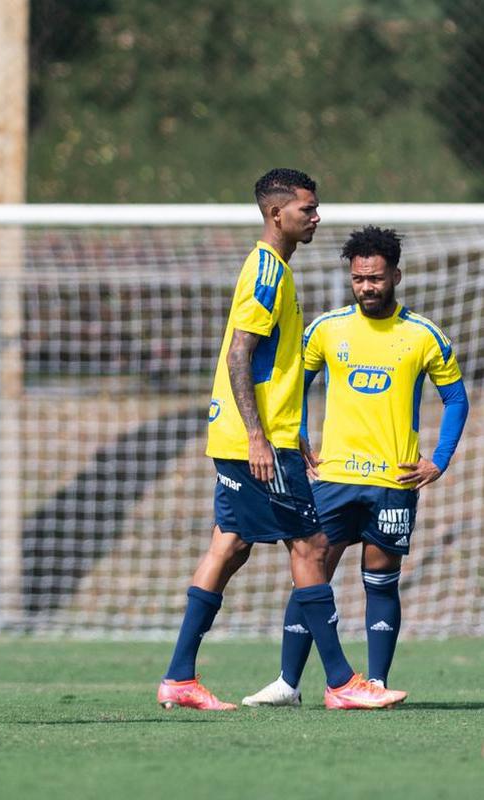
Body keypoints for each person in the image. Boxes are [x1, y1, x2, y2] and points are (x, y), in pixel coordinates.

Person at [156, 168, 408, 711]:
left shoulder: (275, 269)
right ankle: (342, 682)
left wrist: (289, 431)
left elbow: (270, 365)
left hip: (261, 435)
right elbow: (239, 354)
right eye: (307, 210)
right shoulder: (267, 273)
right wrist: (259, 437)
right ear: (278, 215)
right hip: (255, 442)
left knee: (230, 544)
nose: (316, 217)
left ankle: (179, 677)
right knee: (310, 545)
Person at [242, 226, 468, 706]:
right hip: (334, 476)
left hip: (394, 478)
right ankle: (288, 682)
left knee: (381, 577)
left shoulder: (424, 335)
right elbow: (293, 383)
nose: (367, 287)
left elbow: (456, 399)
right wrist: (296, 432)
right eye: (359, 278)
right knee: (312, 569)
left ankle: (378, 683)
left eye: (376, 278)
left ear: (396, 277)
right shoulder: (326, 329)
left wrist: (440, 461)